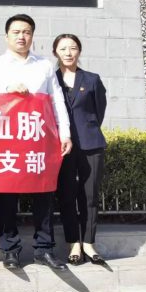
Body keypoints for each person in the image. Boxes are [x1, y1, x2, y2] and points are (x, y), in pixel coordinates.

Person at [0, 14, 72, 271]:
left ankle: (44, 249)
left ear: (32, 36)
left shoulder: (44, 66)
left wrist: (65, 133)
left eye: (27, 32)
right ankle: (10, 249)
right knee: (7, 197)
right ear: (6, 36)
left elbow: (56, 100)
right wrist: (8, 89)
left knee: (44, 195)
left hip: (39, 139)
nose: (22, 36)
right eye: (16, 32)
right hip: (7, 141)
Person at [52, 34, 108, 265]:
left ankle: (89, 243)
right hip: (61, 147)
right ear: (55, 52)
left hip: (90, 143)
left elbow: (99, 110)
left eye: (73, 48)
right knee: (66, 195)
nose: (68, 52)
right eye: (63, 48)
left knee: (90, 196)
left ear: (79, 51)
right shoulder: (51, 79)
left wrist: (86, 130)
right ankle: (73, 243)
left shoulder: (92, 79)